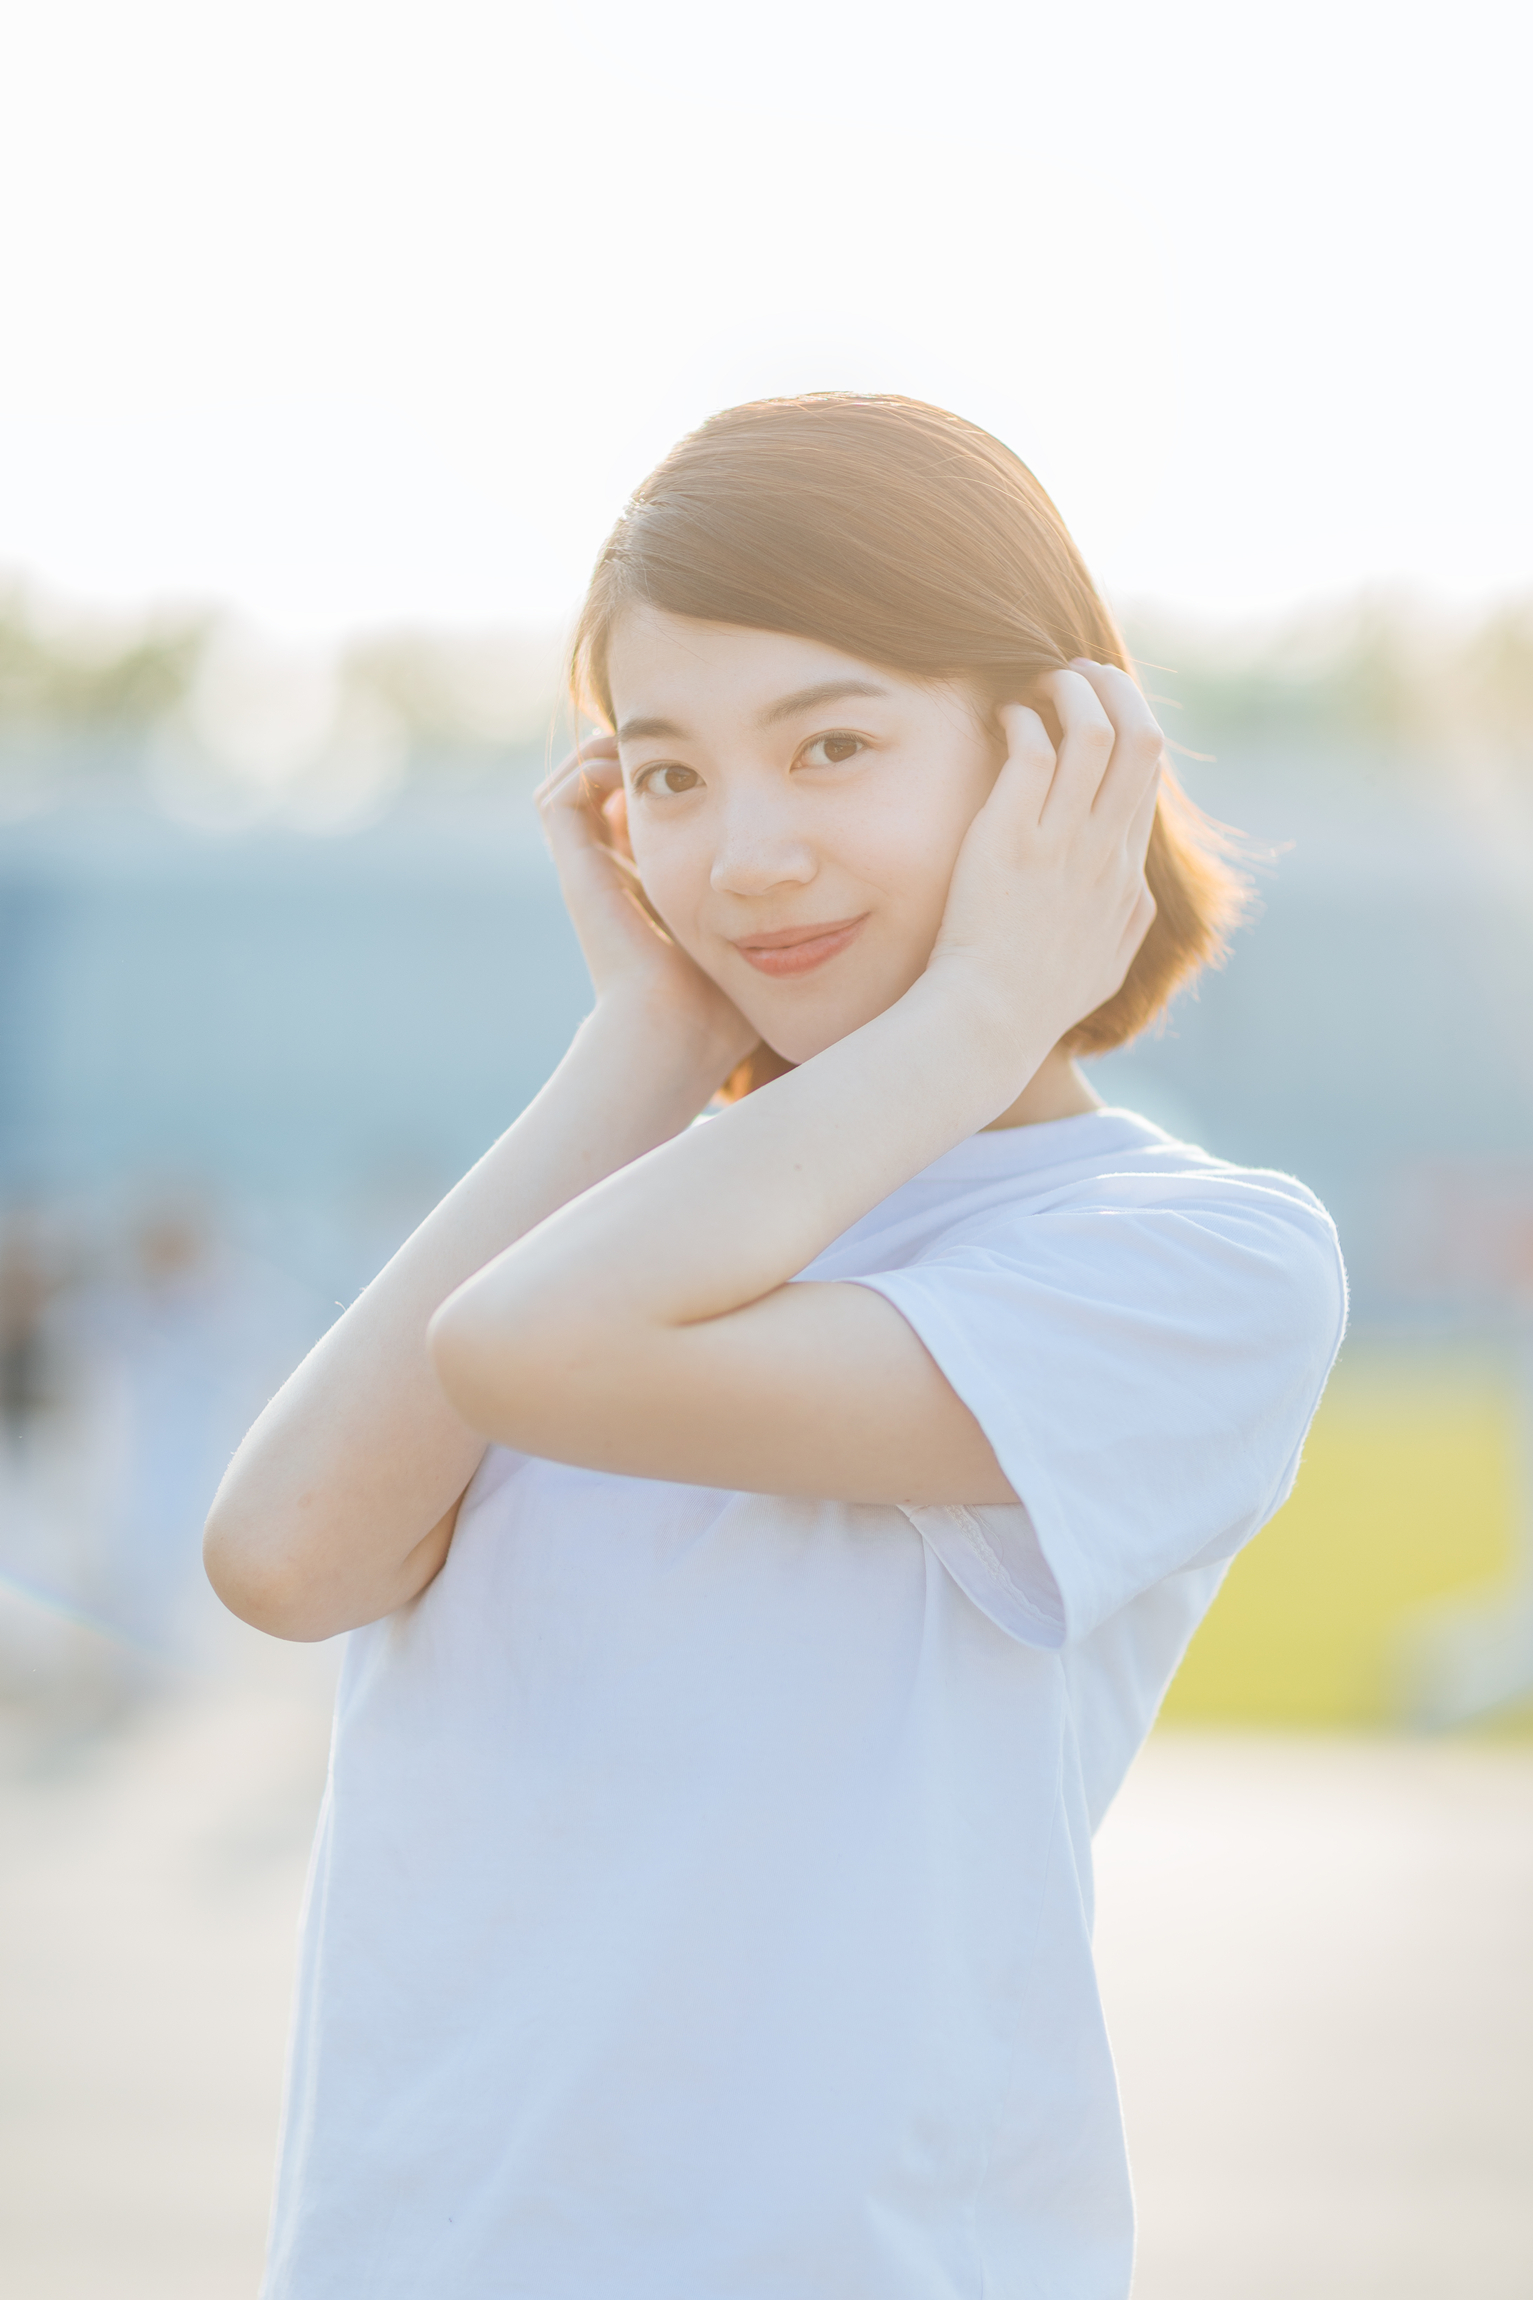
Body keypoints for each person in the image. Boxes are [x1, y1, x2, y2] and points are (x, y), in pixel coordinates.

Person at [205, 394, 1347, 2300]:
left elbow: (534, 1352)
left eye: (831, 744)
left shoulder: (1188, 1261)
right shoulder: (643, 1207)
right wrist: (646, 1040)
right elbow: (286, 1554)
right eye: (665, 778)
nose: (744, 854)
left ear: (1059, 751)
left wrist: (992, 1002)